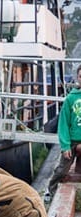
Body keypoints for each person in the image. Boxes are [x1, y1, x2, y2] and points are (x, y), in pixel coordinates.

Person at [45, 65, 81, 202]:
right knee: (61, 170)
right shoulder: (70, 99)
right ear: (78, 78)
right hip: (72, 141)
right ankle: (50, 190)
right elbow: (63, 124)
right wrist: (65, 146)